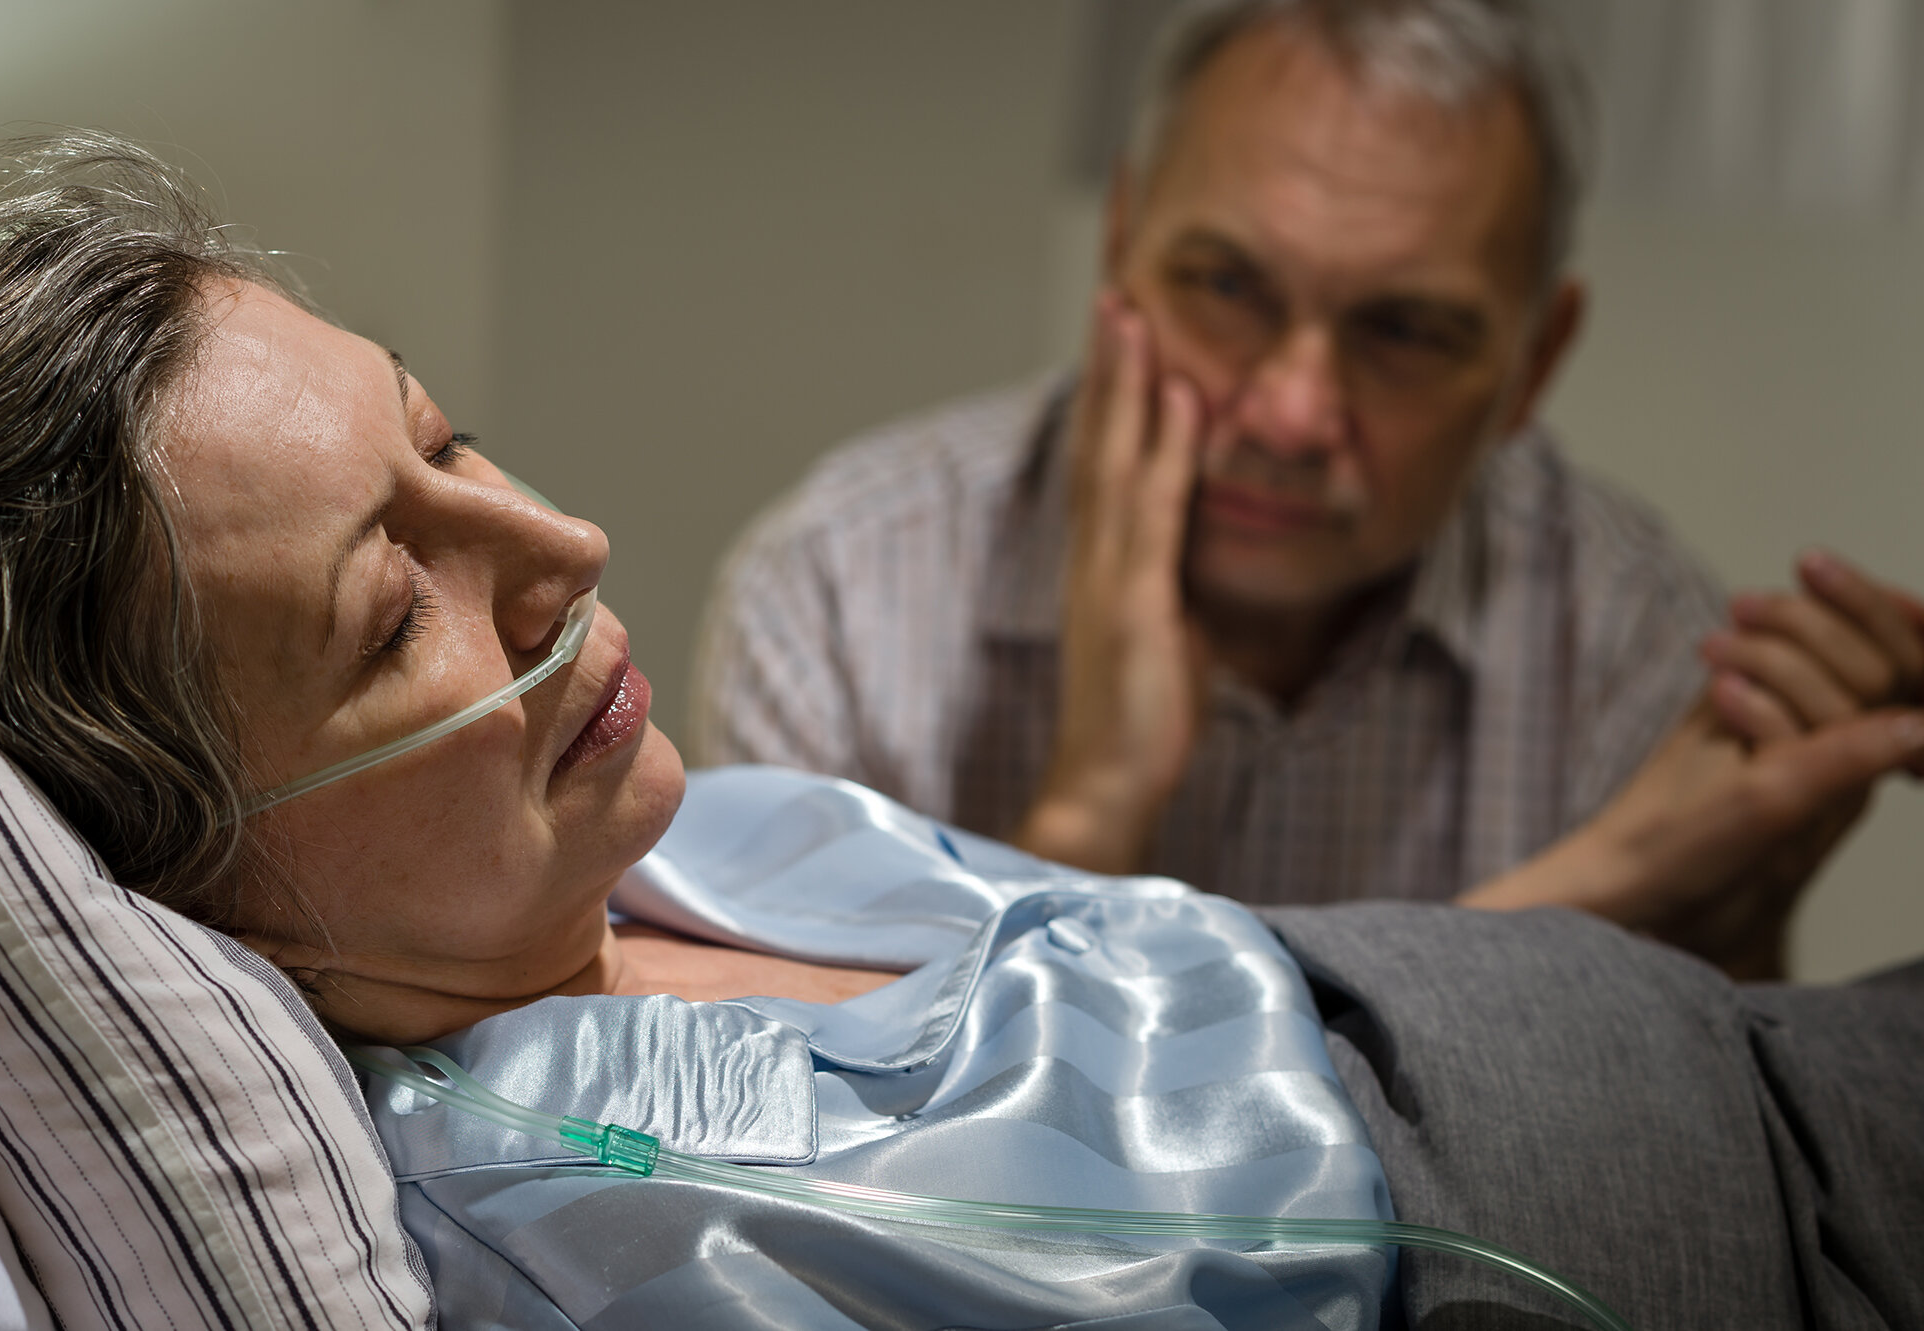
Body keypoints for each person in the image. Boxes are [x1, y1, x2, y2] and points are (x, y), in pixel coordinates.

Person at [0, 132, 1922, 1330]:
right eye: (391, 613)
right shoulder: (566, 1216)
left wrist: (1649, 870)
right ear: (188, 875)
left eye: (449, 442)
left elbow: (1193, 1063)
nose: (565, 548)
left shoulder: (663, 845)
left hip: (1752, 1071)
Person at [688, 0, 1924, 974]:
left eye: (1403, 331)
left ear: (1534, 362)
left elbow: (1646, 1178)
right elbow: (814, 1168)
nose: (1287, 415)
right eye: (1225, 285)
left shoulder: (1631, 644)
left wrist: (1735, 932)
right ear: (1120, 242)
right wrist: (1090, 806)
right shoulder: (841, 591)